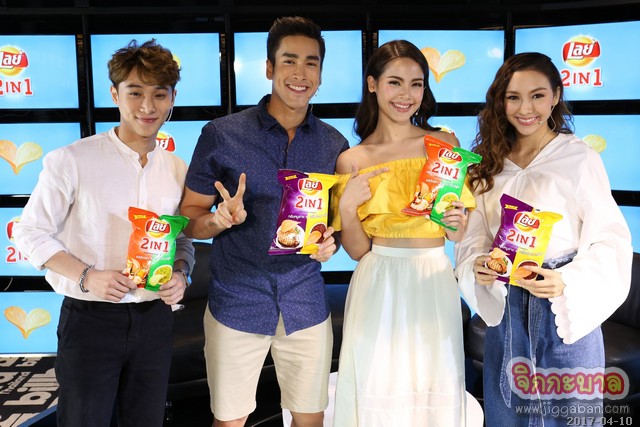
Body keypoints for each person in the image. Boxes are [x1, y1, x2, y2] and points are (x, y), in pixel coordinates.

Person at [12, 39, 195, 427]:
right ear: (115, 94)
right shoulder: (72, 159)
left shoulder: (177, 168)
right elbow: (29, 231)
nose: (147, 107)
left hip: (155, 319)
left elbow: (181, 239)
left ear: (172, 99)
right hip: (90, 319)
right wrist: (86, 275)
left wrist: (181, 274)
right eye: (135, 93)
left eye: (159, 94)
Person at [179, 16, 349, 427]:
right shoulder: (222, 134)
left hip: (305, 302)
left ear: (321, 74)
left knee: (310, 419)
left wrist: (331, 243)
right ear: (270, 67)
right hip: (236, 301)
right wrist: (218, 220)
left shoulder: (334, 144)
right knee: (229, 420)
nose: (300, 73)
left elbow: (335, 227)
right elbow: (188, 217)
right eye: (289, 61)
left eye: (311, 63)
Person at [454, 52, 632, 426]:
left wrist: (566, 280)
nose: (525, 109)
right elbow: (473, 238)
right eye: (513, 97)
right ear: (500, 101)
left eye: (537, 95)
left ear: (555, 96)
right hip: (506, 310)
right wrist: (478, 266)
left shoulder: (578, 158)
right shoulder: (486, 163)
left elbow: (610, 238)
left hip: (563, 309)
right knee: (507, 416)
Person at [329, 39, 472, 426]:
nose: (406, 95)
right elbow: (357, 250)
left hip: (434, 276)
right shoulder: (352, 159)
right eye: (395, 82)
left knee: (434, 386)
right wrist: (347, 207)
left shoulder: (445, 144)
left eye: (416, 84)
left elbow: (456, 232)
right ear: (373, 84)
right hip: (378, 280)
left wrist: (458, 224)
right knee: (378, 385)